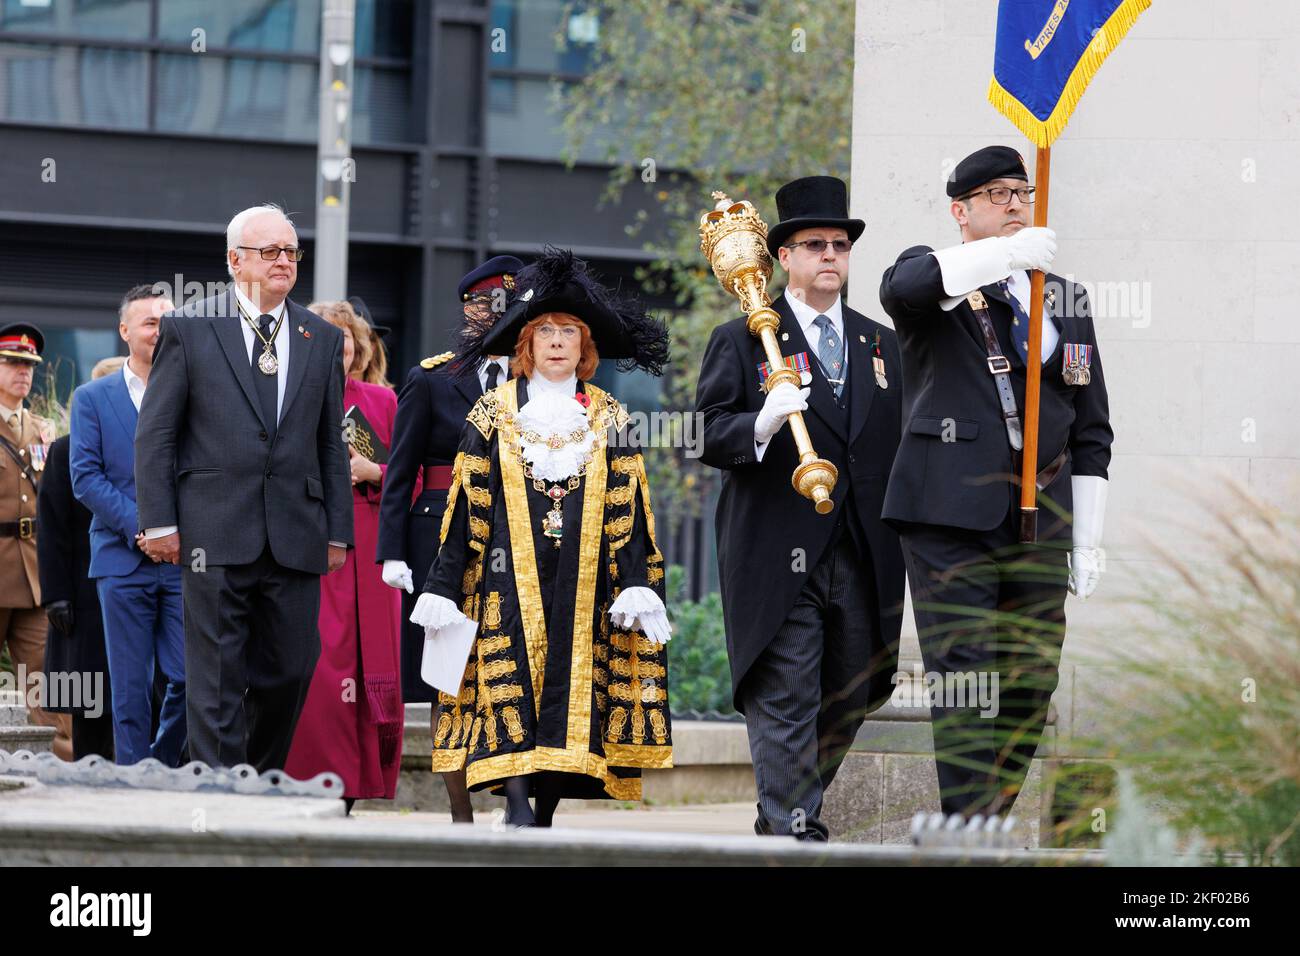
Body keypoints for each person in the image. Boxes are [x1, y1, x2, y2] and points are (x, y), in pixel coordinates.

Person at [878, 145, 1113, 819]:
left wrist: (1087, 536)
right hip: (950, 513)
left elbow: (1092, 425)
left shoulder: (1064, 298)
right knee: (966, 670)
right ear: (962, 211)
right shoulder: (939, 280)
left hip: (1042, 515)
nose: (1015, 204)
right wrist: (1007, 257)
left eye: (1023, 192)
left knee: (1031, 681)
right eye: (997, 195)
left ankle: (984, 818)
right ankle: (965, 832)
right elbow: (906, 287)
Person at [411, 248, 672, 827]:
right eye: (546, 331)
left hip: (584, 585)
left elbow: (629, 507)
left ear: (585, 350)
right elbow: (465, 506)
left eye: (569, 333)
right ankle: (518, 802)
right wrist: (444, 585)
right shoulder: (492, 413)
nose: (557, 342)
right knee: (514, 691)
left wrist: (635, 582)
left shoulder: (609, 417)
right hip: (505, 583)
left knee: (571, 695)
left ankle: (544, 809)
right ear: (526, 346)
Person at [694, 176, 906, 841]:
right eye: (813, 244)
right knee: (785, 694)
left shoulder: (882, 345)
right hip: (778, 553)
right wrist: (760, 423)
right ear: (782, 256)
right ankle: (792, 829)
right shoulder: (743, 339)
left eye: (839, 244)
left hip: (864, 554)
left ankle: (791, 811)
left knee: (849, 695)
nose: (829, 256)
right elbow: (705, 433)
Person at [134, 203, 354, 772]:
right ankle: (222, 798)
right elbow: (157, 433)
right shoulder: (189, 327)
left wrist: (338, 532)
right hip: (212, 532)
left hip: (296, 534)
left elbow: (330, 443)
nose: (284, 261)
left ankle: (254, 778)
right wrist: (160, 522)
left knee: (291, 671)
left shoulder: (322, 337)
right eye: (270, 251)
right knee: (216, 679)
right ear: (235, 261)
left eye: (291, 252)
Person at [376, 254, 522, 822]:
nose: (497, 319)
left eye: (509, 310)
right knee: (448, 674)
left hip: (520, 537)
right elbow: (400, 470)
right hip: (439, 537)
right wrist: (391, 549)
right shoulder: (432, 378)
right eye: (488, 307)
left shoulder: (541, 381)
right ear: (469, 312)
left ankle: (515, 800)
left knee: (515, 663)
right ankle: (459, 809)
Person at [285, 301, 403, 808]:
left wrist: (373, 473)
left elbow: (412, 477)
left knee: (369, 664)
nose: (341, 349)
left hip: (372, 546)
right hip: (308, 544)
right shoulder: (285, 399)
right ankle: (312, 780)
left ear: (358, 348)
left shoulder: (382, 401)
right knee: (319, 668)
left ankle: (355, 787)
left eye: (347, 340)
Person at [70, 286, 187, 766]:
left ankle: (156, 765)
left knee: (191, 677)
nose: (160, 331)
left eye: (168, 322)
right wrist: (145, 529)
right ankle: (133, 782)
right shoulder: (92, 398)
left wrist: (175, 534)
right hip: (123, 560)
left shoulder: (195, 393)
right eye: (150, 323)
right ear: (125, 332)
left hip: (185, 559)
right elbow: (85, 477)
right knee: (129, 687)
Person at [38, 356, 125, 762]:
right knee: (88, 698)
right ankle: (88, 772)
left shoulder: (149, 444)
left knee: (137, 690)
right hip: (81, 595)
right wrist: (55, 595)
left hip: (132, 586)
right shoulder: (64, 451)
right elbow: (51, 528)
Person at [0, 322, 73, 760]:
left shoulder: (45, 431)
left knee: (50, 685)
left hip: (33, 575)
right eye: (11, 363)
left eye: (28, 366)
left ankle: (65, 777)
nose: (21, 373)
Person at [346, 296, 394, 389]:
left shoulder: (385, 398)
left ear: (372, 347)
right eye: (346, 337)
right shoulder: (322, 394)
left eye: (360, 339)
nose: (354, 345)